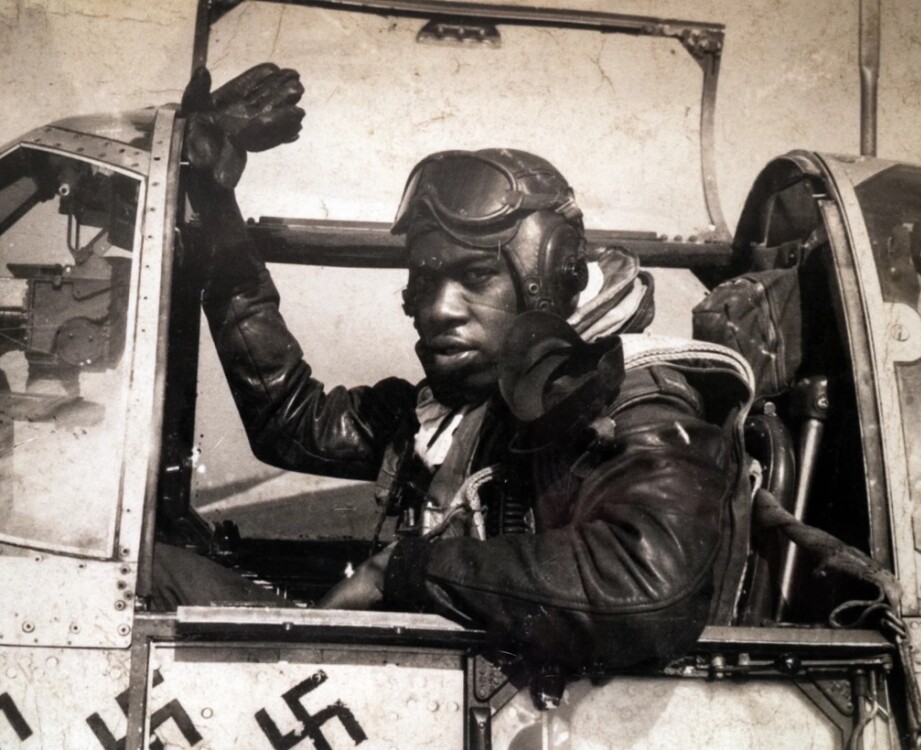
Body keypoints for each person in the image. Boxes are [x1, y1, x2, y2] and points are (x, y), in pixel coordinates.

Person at [154, 64, 752, 676]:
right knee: (156, 573)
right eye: (425, 279)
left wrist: (402, 571)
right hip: (426, 683)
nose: (437, 310)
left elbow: (647, 588)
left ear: (549, 275)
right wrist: (214, 199)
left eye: (474, 277)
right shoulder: (451, 408)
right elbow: (290, 420)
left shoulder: (632, 400)